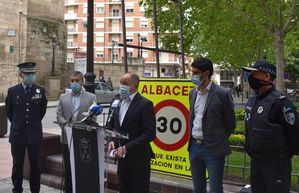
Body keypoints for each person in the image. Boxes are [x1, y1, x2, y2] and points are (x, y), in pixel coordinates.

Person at [243, 60, 299, 193]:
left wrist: (282, 157)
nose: (250, 77)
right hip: (256, 163)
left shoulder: (281, 103)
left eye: (254, 74)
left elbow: (295, 136)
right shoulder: (253, 100)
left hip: (276, 166)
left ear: (267, 77)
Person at [188, 57, 236, 193]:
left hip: (213, 149)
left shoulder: (222, 93)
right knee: (198, 188)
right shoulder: (192, 93)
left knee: (215, 189)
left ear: (206, 73)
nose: (193, 76)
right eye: (192, 72)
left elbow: (230, 123)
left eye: (196, 72)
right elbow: (194, 118)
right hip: (194, 147)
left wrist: (216, 137)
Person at [107, 72, 156, 193]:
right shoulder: (116, 101)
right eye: (121, 82)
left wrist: (127, 147)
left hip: (139, 159)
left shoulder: (145, 104)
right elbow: (112, 126)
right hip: (121, 159)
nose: (121, 86)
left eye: (125, 83)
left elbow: (149, 134)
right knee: (123, 188)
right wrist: (112, 141)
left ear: (134, 85)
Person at [5, 62, 48, 193]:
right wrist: (19, 124)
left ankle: (35, 190)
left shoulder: (40, 90)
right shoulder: (13, 91)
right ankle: (17, 189)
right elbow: (9, 112)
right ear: (21, 75)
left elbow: (42, 111)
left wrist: (32, 124)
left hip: (34, 134)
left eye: (33, 74)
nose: (31, 76)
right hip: (18, 134)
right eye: (28, 74)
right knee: (17, 165)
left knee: (36, 165)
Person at [56, 71, 96, 193]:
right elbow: (59, 116)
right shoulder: (63, 97)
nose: (74, 83)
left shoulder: (91, 97)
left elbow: (93, 117)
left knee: (81, 168)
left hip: (82, 140)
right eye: (72, 81)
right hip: (66, 139)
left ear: (82, 81)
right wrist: (67, 127)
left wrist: (82, 128)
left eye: (77, 81)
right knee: (68, 169)